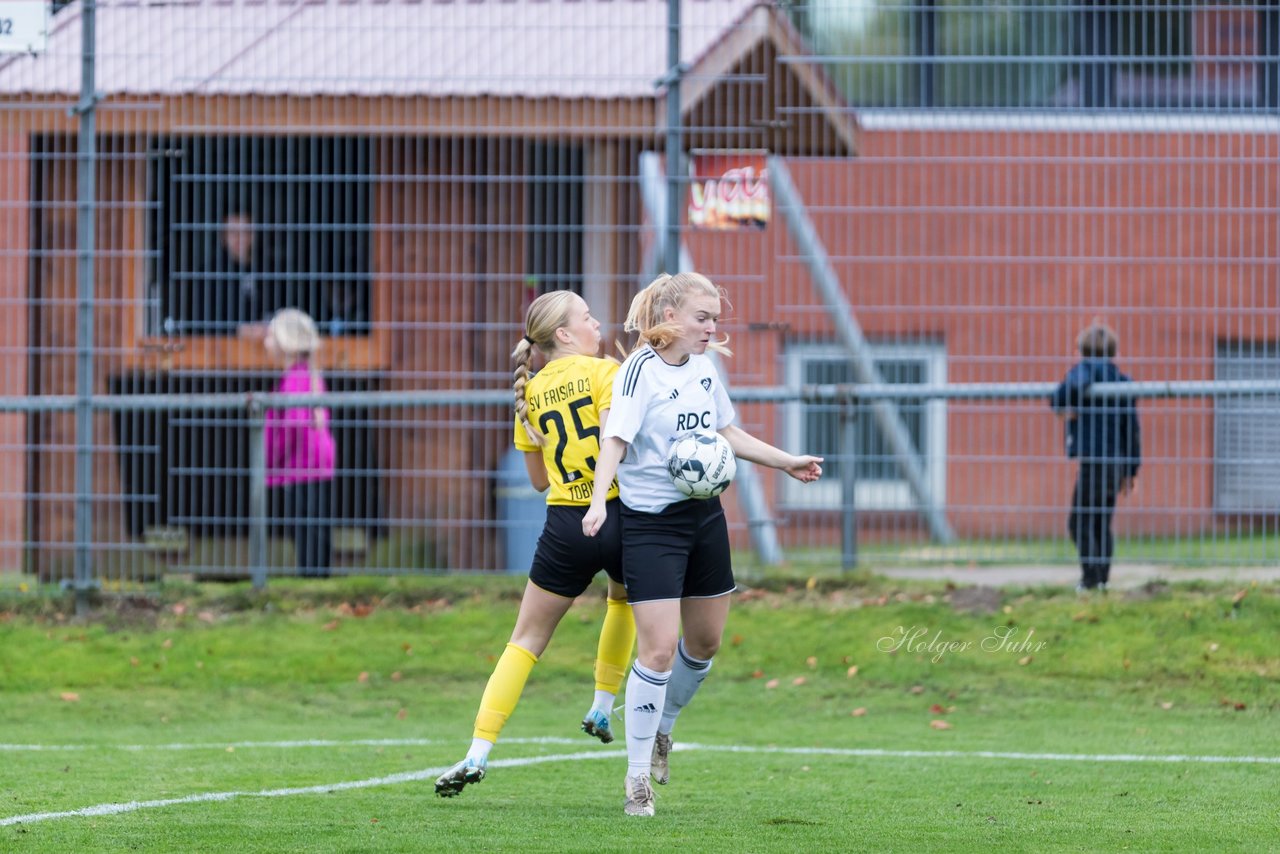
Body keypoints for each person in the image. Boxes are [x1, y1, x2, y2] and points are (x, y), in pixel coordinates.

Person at [582, 272, 823, 818]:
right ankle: (636, 778)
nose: (713, 327)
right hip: (651, 525)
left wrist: (786, 461)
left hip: (704, 519)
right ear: (670, 319)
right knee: (659, 650)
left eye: (715, 318)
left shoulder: (707, 370)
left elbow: (727, 434)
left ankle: (664, 729)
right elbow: (614, 440)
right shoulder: (638, 373)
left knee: (706, 642)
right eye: (702, 318)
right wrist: (600, 502)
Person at [435, 291, 636, 798]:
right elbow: (623, 443)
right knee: (622, 599)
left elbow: (537, 481)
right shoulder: (605, 373)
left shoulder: (531, 392)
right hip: (616, 511)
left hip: (565, 523)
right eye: (587, 317)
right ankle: (602, 701)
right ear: (564, 334)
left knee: (524, 641)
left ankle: (478, 750)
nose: (597, 324)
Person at [1050, 321, 1141, 593]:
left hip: (1095, 461)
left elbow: (1059, 397)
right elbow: (1132, 429)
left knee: (1078, 522)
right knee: (1101, 521)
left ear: (1082, 351)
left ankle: (1091, 580)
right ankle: (1102, 579)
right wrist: (1131, 469)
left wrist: (1068, 405)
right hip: (1116, 463)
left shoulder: (1086, 370)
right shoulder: (1122, 382)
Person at [264, 308, 337, 577]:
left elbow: (293, 424)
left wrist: (274, 458)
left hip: (301, 463)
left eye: (270, 335)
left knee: (307, 528)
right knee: (315, 526)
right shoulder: (308, 374)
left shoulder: (295, 379)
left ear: (286, 342)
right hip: (314, 462)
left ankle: (312, 578)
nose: (265, 342)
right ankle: (317, 578)